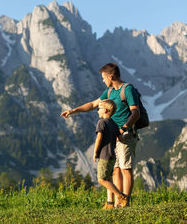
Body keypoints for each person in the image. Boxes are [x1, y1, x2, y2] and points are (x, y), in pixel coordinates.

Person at [60, 63, 140, 207]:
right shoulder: (109, 92)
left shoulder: (127, 89)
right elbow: (93, 104)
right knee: (115, 170)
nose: (103, 80)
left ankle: (126, 202)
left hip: (125, 135)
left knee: (125, 168)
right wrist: (73, 111)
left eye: (104, 77)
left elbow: (135, 112)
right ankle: (117, 202)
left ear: (111, 76)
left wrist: (124, 128)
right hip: (113, 137)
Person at [93, 99, 127, 209]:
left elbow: (99, 138)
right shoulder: (113, 123)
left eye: (99, 108)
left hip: (104, 155)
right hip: (113, 155)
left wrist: (95, 152)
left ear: (106, 111)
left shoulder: (101, 122)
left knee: (101, 179)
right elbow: (120, 138)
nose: (97, 110)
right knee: (108, 179)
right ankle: (110, 203)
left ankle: (120, 196)